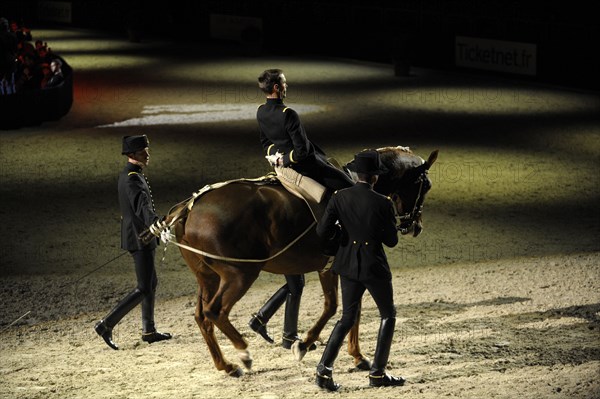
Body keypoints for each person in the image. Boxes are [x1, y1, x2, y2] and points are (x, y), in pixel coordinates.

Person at [249, 69, 355, 350]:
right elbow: (304, 151)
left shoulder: (261, 111)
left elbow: (264, 142)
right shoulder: (288, 114)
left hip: (278, 166)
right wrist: (286, 157)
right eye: (284, 82)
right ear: (276, 87)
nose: (287, 85)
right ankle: (335, 243)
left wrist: (273, 156)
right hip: (301, 166)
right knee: (342, 190)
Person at [314, 150, 405, 391]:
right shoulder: (383, 202)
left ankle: (324, 370)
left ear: (356, 174)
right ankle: (377, 374)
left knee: (346, 318)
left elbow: (322, 232)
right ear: (375, 177)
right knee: (388, 315)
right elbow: (391, 241)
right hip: (374, 266)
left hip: (347, 265)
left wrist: (340, 243)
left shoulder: (339, 197)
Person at [94, 135, 172, 350]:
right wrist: (157, 223)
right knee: (144, 287)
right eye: (142, 152)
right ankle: (106, 324)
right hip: (140, 236)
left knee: (151, 284)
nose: (147, 154)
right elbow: (142, 208)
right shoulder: (132, 178)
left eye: (147, 150)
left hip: (140, 234)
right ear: (131, 155)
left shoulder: (133, 174)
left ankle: (149, 330)